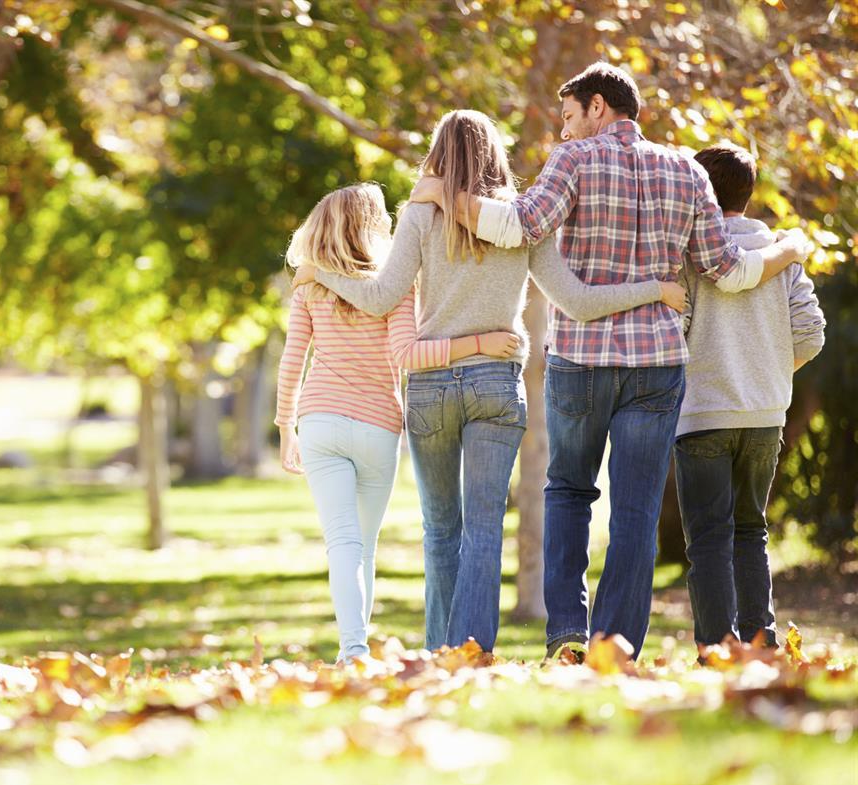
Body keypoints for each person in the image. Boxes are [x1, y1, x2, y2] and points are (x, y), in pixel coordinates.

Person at [409, 63, 812, 659]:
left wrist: (447, 193)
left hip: (580, 358)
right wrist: (788, 248)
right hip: (656, 365)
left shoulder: (572, 162)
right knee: (637, 509)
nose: (567, 131)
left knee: (569, 492)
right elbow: (727, 271)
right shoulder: (686, 170)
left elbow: (516, 225)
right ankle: (614, 645)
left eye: (571, 116)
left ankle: (566, 635)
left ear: (599, 107)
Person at [292, 111, 687, 653]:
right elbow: (576, 302)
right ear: (496, 156)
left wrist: (321, 273)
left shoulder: (421, 215)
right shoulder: (523, 223)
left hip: (430, 387)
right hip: (495, 386)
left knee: (440, 530)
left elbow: (381, 298)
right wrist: (654, 289)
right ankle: (470, 653)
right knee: (482, 531)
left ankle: (439, 655)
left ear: (439, 156)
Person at [275, 182, 521, 663]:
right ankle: (353, 649)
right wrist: (479, 343)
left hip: (320, 422)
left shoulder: (308, 286)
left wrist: (287, 425)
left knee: (343, 543)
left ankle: (353, 651)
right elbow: (409, 356)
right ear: (369, 230)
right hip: (377, 428)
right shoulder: (397, 287)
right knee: (362, 545)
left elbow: (292, 360)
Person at [674, 142, 825, 649]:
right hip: (764, 415)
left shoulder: (689, 253)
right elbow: (811, 333)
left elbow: (676, 328)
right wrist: (768, 374)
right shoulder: (779, 252)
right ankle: (761, 640)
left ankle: (717, 647)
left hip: (702, 414)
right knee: (749, 531)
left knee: (709, 538)